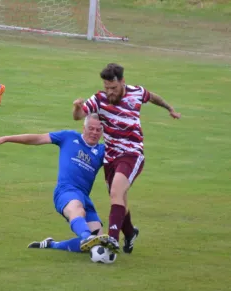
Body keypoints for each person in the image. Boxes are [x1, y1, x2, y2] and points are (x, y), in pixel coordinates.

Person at [72, 63, 181, 253]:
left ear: (122, 82)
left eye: (113, 88)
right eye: (107, 88)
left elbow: (153, 97)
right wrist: (76, 107)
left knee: (116, 192)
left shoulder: (136, 93)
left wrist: (169, 108)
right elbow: (78, 116)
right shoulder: (99, 98)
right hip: (111, 157)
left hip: (132, 154)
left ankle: (112, 240)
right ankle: (130, 233)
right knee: (119, 197)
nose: (110, 92)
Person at [0, 114, 117, 253]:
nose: (94, 132)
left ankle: (53, 245)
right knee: (78, 210)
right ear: (83, 127)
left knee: (99, 242)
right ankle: (86, 236)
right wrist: (7, 138)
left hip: (85, 197)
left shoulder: (102, 151)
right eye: (91, 128)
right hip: (66, 192)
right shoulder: (68, 137)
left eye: (98, 130)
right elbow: (38, 138)